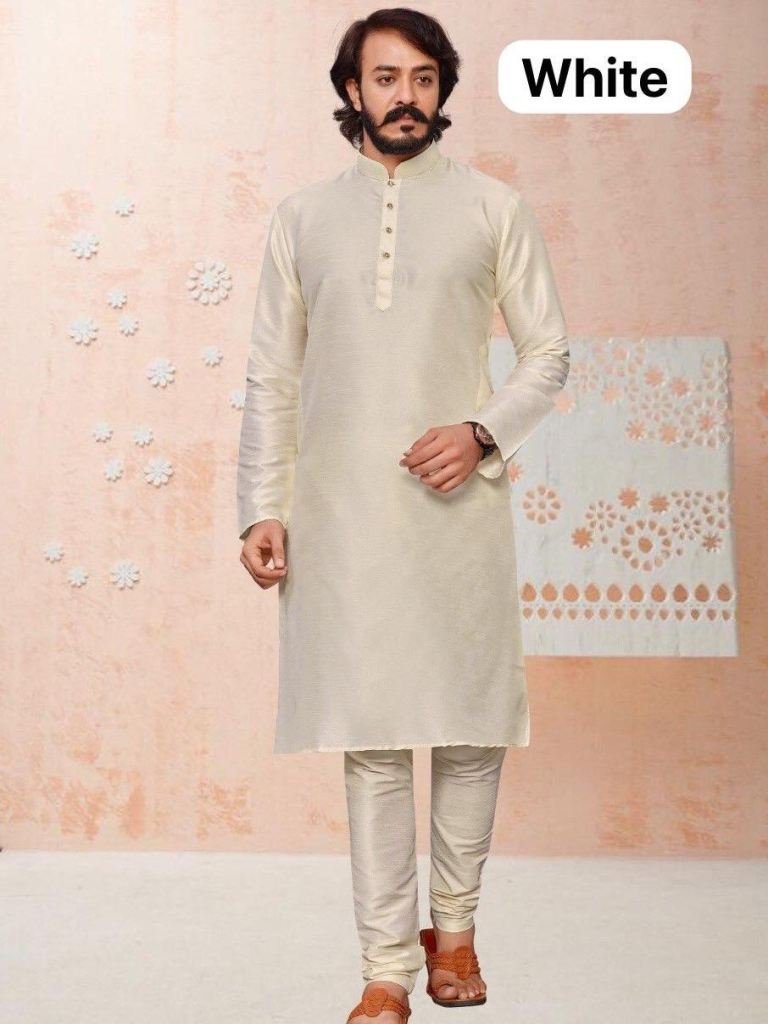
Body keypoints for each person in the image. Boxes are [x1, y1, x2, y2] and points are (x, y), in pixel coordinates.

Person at [236, 8, 569, 1023]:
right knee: (373, 739)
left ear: (442, 91)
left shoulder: (493, 208)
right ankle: (386, 966)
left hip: (457, 506)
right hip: (341, 515)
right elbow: (272, 372)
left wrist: (481, 431)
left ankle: (454, 930)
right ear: (352, 90)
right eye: (385, 78)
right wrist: (261, 506)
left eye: (423, 78)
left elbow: (548, 353)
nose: (405, 97)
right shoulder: (301, 218)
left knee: (469, 727)